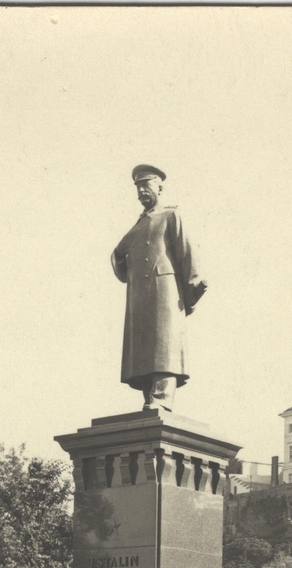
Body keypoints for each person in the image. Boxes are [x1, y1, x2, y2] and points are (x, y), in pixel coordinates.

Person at [111, 165, 207, 411]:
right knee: (144, 347)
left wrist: (192, 288)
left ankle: (163, 400)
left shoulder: (170, 215)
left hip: (165, 291)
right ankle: (150, 399)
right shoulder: (138, 224)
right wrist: (125, 267)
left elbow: (186, 252)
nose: (142, 190)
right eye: (138, 187)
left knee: (165, 344)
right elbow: (118, 254)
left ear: (160, 186)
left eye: (146, 184)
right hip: (140, 294)